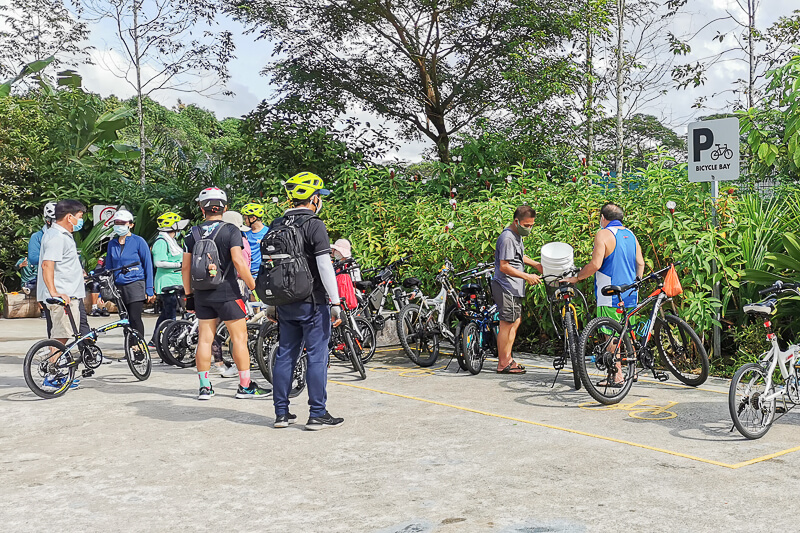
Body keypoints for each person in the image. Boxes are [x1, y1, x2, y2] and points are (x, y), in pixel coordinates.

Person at [268, 172, 344, 430]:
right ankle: (317, 413)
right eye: (319, 197)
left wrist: (271, 302)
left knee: (285, 354)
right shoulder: (315, 224)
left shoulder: (277, 224)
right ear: (313, 198)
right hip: (313, 301)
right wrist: (335, 302)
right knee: (316, 356)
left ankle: (281, 413)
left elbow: (270, 267)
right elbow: (324, 264)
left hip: (284, 302)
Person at [182, 187, 267, 400]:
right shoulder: (231, 230)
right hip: (228, 292)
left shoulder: (191, 234)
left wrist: (189, 295)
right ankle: (245, 386)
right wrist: (253, 285)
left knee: (205, 339)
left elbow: (185, 268)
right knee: (238, 338)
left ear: (202, 209)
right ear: (225, 208)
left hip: (202, 293)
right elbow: (238, 261)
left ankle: (204, 387)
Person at [563, 202, 645, 387]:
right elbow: (640, 262)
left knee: (611, 335)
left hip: (610, 293)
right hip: (631, 293)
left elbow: (595, 264)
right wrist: (636, 281)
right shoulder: (630, 234)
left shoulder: (603, 234)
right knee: (626, 332)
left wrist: (577, 278)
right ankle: (631, 370)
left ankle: (616, 376)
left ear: (603, 218)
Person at [492, 205, 543, 375]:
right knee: (506, 324)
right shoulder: (507, 238)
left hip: (513, 287)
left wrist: (536, 264)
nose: (529, 229)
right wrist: (527, 276)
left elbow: (518, 257)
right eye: (526, 225)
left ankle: (508, 359)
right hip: (506, 286)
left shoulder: (516, 236)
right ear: (516, 221)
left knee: (515, 321)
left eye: (531, 225)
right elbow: (504, 266)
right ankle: (503, 362)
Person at [37, 200, 87, 347]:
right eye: (80, 216)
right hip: (63, 295)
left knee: (65, 335)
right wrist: (54, 292)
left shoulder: (63, 235)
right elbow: (47, 265)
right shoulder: (56, 237)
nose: (81, 220)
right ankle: (53, 367)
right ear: (69, 217)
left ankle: (57, 365)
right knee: (61, 337)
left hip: (70, 293)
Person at [104, 209, 154, 339]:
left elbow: (147, 264)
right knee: (124, 320)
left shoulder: (139, 241)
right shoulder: (112, 244)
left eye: (122, 223)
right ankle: (129, 347)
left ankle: (138, 348)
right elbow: (108, 268)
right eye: (117, 222)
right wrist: (104, 289)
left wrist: (149, 289)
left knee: (135, 318)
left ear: (130, 224)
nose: (119, 225)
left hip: (136, 284)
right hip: (119, 286)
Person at [151, 212, 189, 347]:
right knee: (170, 312)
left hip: (176, 280)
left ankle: (156, 338)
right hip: (167, 282)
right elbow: (159, 262)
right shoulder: (161, 242)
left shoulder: (171, 241)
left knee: (168, 312)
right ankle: (168, 338)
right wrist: (179, 265)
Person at [30, 202, 56, 319]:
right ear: (47, 220)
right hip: (47, 281)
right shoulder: (37, 237)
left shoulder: (67, 235)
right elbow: (33, 258)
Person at [242, 203, 269, 281]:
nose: (245, 221)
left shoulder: (268, 232)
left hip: (262, 273)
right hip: (247, 274)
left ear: (253, 218)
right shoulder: (244, 232)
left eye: (246, 218)